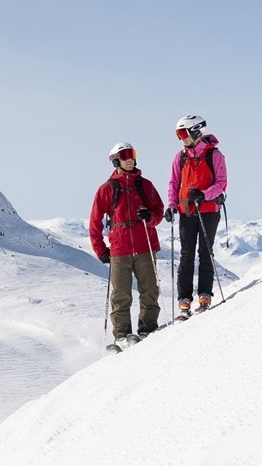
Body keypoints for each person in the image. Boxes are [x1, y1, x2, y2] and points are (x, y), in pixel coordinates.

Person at [89, 142, 164, 350]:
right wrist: (101, 250)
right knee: (121, 294)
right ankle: (122, 334)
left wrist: (149, 218)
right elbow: (95, 222)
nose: (129, 159)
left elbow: (159, 211)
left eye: (132, 154)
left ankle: (147, 328)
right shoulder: (106, 189)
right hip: (119, 249)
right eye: (124, 155)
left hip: (145, 246)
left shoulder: (145, 185)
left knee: (149, 290)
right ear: (115, 160)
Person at [165, 114, 228, 320]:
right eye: (178, 134)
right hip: (187, 211)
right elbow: (173, 183)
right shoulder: (180, 157)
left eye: (183, 133)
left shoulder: (215, 156)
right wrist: (172, 205)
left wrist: (204, 194)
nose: (181, 138)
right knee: (186, 255)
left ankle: (205, 296)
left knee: (205, 252)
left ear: (196, 131)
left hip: (208, 210)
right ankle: (184, 300)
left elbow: (221, 183)